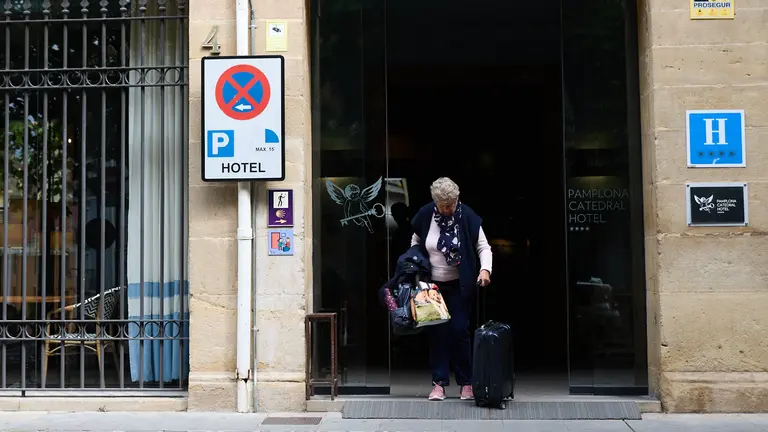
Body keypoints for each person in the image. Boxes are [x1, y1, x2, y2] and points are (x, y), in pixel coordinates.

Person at [410, 177, 492, 401]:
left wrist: (485, 270)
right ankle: (439, 384)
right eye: (442, 205)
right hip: (431, 286)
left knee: (458, 331)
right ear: (435, 202)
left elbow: (483, 246)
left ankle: (466, 382)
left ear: (457, 200)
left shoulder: (467, 216)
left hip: (459, 284)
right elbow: (416, 241)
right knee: (437, 333)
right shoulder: (426, 214)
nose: (447, 210)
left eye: (451, 205)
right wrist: (417, 261)